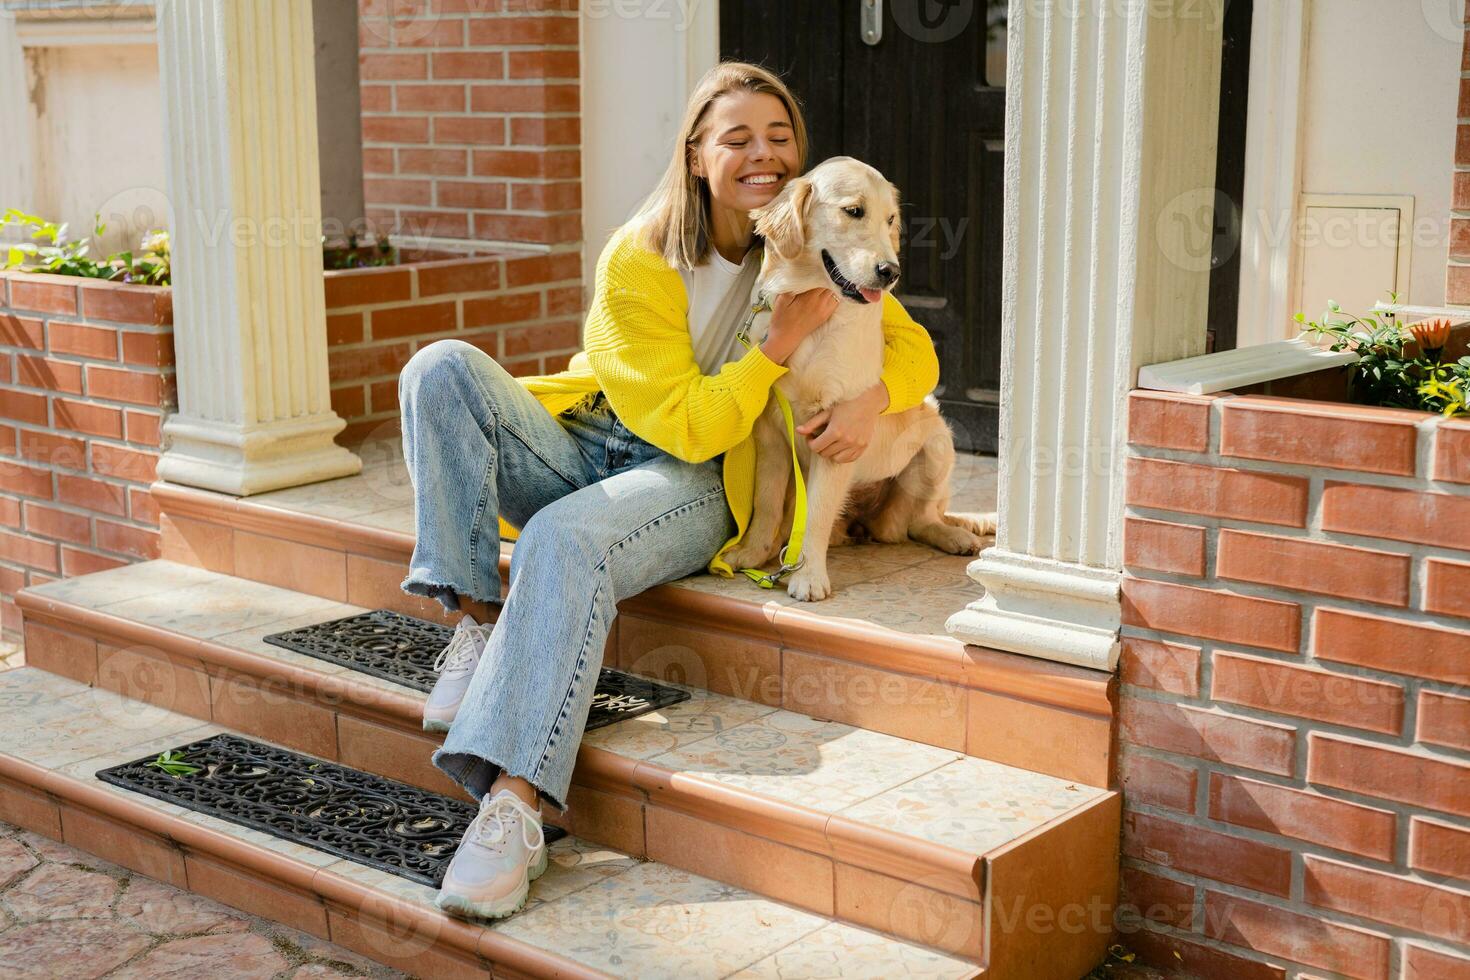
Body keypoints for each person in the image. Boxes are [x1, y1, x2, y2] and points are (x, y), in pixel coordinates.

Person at [395, 61, 940, 921]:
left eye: (780, 137)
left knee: (566, 541)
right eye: (738, 138)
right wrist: (772, 350)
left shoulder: (809, 238)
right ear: (695, 155)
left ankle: (513, 808)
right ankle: (471, 622)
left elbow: (913, 349)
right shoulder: (639, 254)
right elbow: (685, 417)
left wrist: (872, 397)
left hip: (692, 483)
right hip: (599, 440)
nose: (763, 154)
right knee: (440, 369)